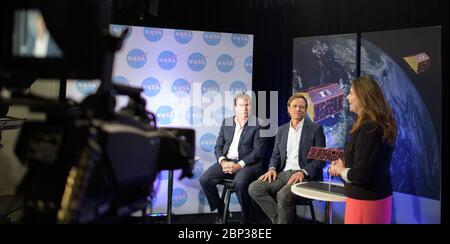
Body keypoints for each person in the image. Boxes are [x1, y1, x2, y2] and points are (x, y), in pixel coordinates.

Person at [249, 93, 326, 224]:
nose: (298, 109)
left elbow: (320, 160)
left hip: (305, 175)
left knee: (283, 195)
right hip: (283, 173)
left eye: (302, 107)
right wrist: (272, 168)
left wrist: (303, 172)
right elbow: (275, 155)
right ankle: (279, 220)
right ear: (288, 109)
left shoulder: (315, 129)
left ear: (305, 110)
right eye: (295, 106)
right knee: (254, 188)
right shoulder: (282, 130)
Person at [329, 76, 397, 224]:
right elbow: (368, 163)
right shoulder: (377, 125)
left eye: (351, 93)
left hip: (365, 203)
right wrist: (344, 164)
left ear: (363, 97)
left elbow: (360, 174)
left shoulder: (369, 128)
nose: (348, 97)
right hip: (374, 199)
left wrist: (341, 170)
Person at [199, 93, 268, 224]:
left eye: (247, 105)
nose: (245, 108)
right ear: (235, 107)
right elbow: (218, 146)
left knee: (240, 183)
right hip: (227, 161)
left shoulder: (260, 124)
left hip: (249, 164)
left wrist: (238, 165)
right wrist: (223, 161)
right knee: (204, 179)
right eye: (241, 105)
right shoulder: (227, 122)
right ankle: (221, 209)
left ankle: (247, 218)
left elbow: (258, 152)